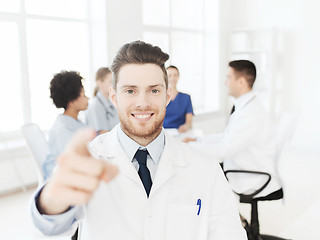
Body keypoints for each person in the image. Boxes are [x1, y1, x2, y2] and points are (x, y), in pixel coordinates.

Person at [30, 41, 246, 240]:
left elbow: (230, 234)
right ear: (114, 97)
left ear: (167, 96)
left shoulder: (205, 169)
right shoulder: (91, 160)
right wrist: (51, 201)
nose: (142, 103)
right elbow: (51, 226)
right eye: (130, 90)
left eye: (153, 90)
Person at [185, 60, 282, 198]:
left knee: (198, 177)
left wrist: (190, 146)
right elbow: (227, 136)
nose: (226, 82)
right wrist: (198, 139)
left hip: (251, 176)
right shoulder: (246, 107)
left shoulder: (250, 114)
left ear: (241, 82)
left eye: (229, 77)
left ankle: (223, 217)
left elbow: (222, 151)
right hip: (244, 166)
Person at [42, 71, 89, 180]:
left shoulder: (74, 121)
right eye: (84, 95)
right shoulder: (63, 128)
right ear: (72, 101)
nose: (88, 99)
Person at [85, 67, 119, 134]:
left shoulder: (111, 103)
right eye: (110, 82)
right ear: (99, 83)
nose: (114, 86)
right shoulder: (96, 106)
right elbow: (103, 134)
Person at [163, 65, 194, 132]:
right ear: (165, 78)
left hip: (180, 133)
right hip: (164, 133)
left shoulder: (186, 98)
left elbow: (189, 122)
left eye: (175, 75)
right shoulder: (160, 98)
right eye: (169, 76)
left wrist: (186, 126)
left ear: (178, 77)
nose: (173, 78)